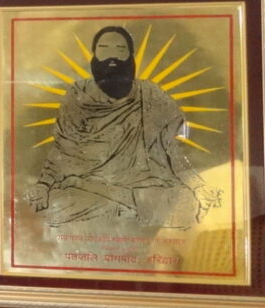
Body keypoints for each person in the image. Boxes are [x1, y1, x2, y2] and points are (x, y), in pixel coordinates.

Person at [24, 24, 221, 229]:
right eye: (104, 49)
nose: (113, 58)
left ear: (131, 57)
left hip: (144, 186)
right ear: (93, 55)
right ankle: (126, 206)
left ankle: (122, 205)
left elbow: (170, 149)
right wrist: (43, 185)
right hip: (89, 186)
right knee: (54, 210)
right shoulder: (78, 94)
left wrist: (198, 187)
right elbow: (63, 148)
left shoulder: (151, 95)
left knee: (184, 210)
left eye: (120, 50)